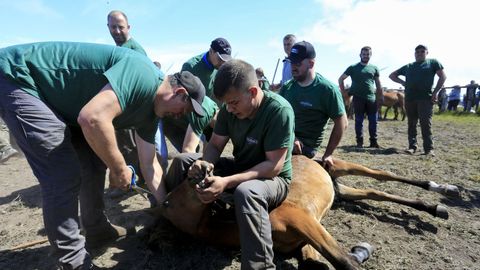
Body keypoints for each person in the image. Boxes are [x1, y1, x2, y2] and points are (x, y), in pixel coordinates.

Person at [0, 42, 205, 269]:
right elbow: (93, 119)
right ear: (180, 93)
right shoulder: (143, 75)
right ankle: (74, 262)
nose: (179, 117)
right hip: (19, 77)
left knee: (93, 162)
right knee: (62, 173)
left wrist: (166, 207)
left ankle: (96, 229)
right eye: (184, 110)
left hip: (65, 103)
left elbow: (150, 164)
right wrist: (119, 168)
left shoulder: (151, 115)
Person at [165, 59, 295, 269]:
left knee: (246, 192)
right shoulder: (228, 109)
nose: (230, 109)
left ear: (253, 91)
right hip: (241, 166)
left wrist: (226, 182)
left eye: (234, 103)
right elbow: (215, 145)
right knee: (183, 161)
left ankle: (259, 266)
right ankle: (170, 221)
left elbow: (273, 166)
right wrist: (205, 163)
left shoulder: (278, 111)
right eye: (226, 104)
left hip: (273, 178)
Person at [279, 41, 348, 167]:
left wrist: (328, 154)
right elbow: (275, 116)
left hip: (305, 149)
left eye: (298, 63)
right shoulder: (287, 87)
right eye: (292, 62)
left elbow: (342, 123)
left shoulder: (327, 90)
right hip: (284, 140)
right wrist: (291, 138)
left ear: (311, 63)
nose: (293, 67)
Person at [107, 10, 149, 185]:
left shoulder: (133, 50)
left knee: (128, 146)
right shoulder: (120, 50)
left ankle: (133, 181)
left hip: (129, 108)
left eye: (120, 27)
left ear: (128, 27)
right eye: (113, 27)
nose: (116, 31)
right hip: (123, 107)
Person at [389, 44, 446, 157]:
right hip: (410, 98)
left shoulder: (433, 63)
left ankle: (429, 149)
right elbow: (392, 75)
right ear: (414, 54)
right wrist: (402, 82)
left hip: (425, 98)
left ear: (426, 53)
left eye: (422, 51)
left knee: (425, 124)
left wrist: (435, 93)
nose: (419, 53)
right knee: (411, 123)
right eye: (417, 52)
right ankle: (412, 147)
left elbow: (443, 77)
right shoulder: (409, 66)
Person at [338, 46, 383, 148]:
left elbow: (378, 83)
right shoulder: (353, 67)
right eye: (364, 54)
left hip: (371, 98)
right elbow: (341, 79)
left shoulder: (374, 68)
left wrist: (381, 96)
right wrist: (344, 92)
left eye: (368, 54)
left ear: (370, 55)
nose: (366, 56)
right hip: (358, 98)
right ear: (360, 55)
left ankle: (373, 142)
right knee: (359, 121)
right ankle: (359, 142)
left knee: (373, 121)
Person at [181, 37, 232, 104]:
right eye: (220, 59)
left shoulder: (222, 67)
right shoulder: (191, 67)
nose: (223, 63)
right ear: (211, 51)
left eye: (225, 60)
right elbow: (185, 98)